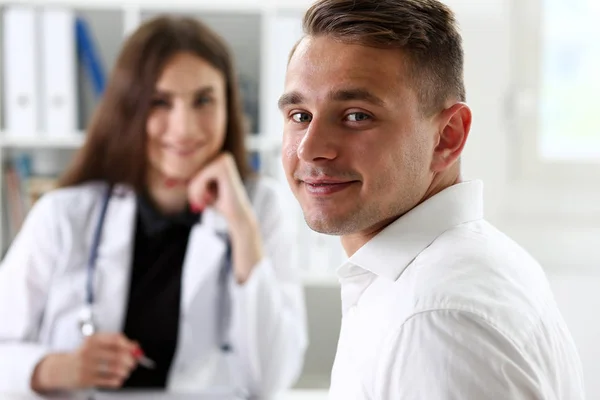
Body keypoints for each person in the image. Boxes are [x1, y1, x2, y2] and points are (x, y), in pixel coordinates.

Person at [279, 0, 585, 399]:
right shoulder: (448, 271)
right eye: (300, 115)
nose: (310, 150)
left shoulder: (435, 318)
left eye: (356, 115)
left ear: (448, 136)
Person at [0, 15, 307, 397]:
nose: (184, 128)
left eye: (204, 100)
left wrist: (242, 226)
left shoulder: (260, 208)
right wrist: (59, 367)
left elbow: (274, 378)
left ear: (229, 105)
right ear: (130, 108)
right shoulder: (62, 215)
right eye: (161, 102)